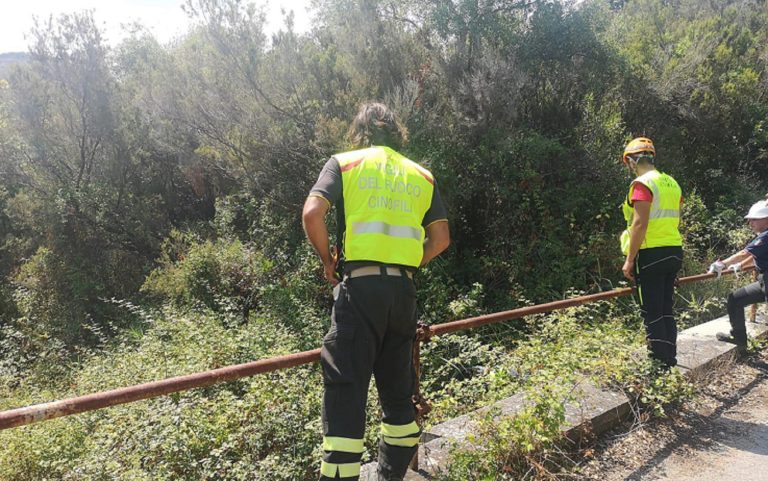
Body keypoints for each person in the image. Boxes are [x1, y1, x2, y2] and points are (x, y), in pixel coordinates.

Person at [302, 102, 450, 481]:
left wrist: (327, 260)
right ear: (396, 132)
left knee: (346, 396)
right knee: (400, 402)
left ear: (360, 131)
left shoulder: (345, 162)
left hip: (360, 290)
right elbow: (441, 239)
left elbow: (312, 213)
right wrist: (408, 263)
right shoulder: (421, 175)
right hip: (403, 294)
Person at [619, 137, 683, 369]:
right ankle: (670, 360)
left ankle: (659, 366)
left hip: (651, 254)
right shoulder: (672, 183)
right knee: (666, 309)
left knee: (651, 311)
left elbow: (639, 224)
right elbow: (676, 218)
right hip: (674, 251)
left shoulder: (642, 184)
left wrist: (629, 260)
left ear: (632, 161)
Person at [708, 199, 768, 352]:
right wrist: (741, 265)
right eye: (750, 220)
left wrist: (723, 264)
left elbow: (745, 252)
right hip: (764, 281)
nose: (751, 223)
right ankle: (739, 338)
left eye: (754, 219)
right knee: (735, 299)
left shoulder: (766, 236)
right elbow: (754, 254)